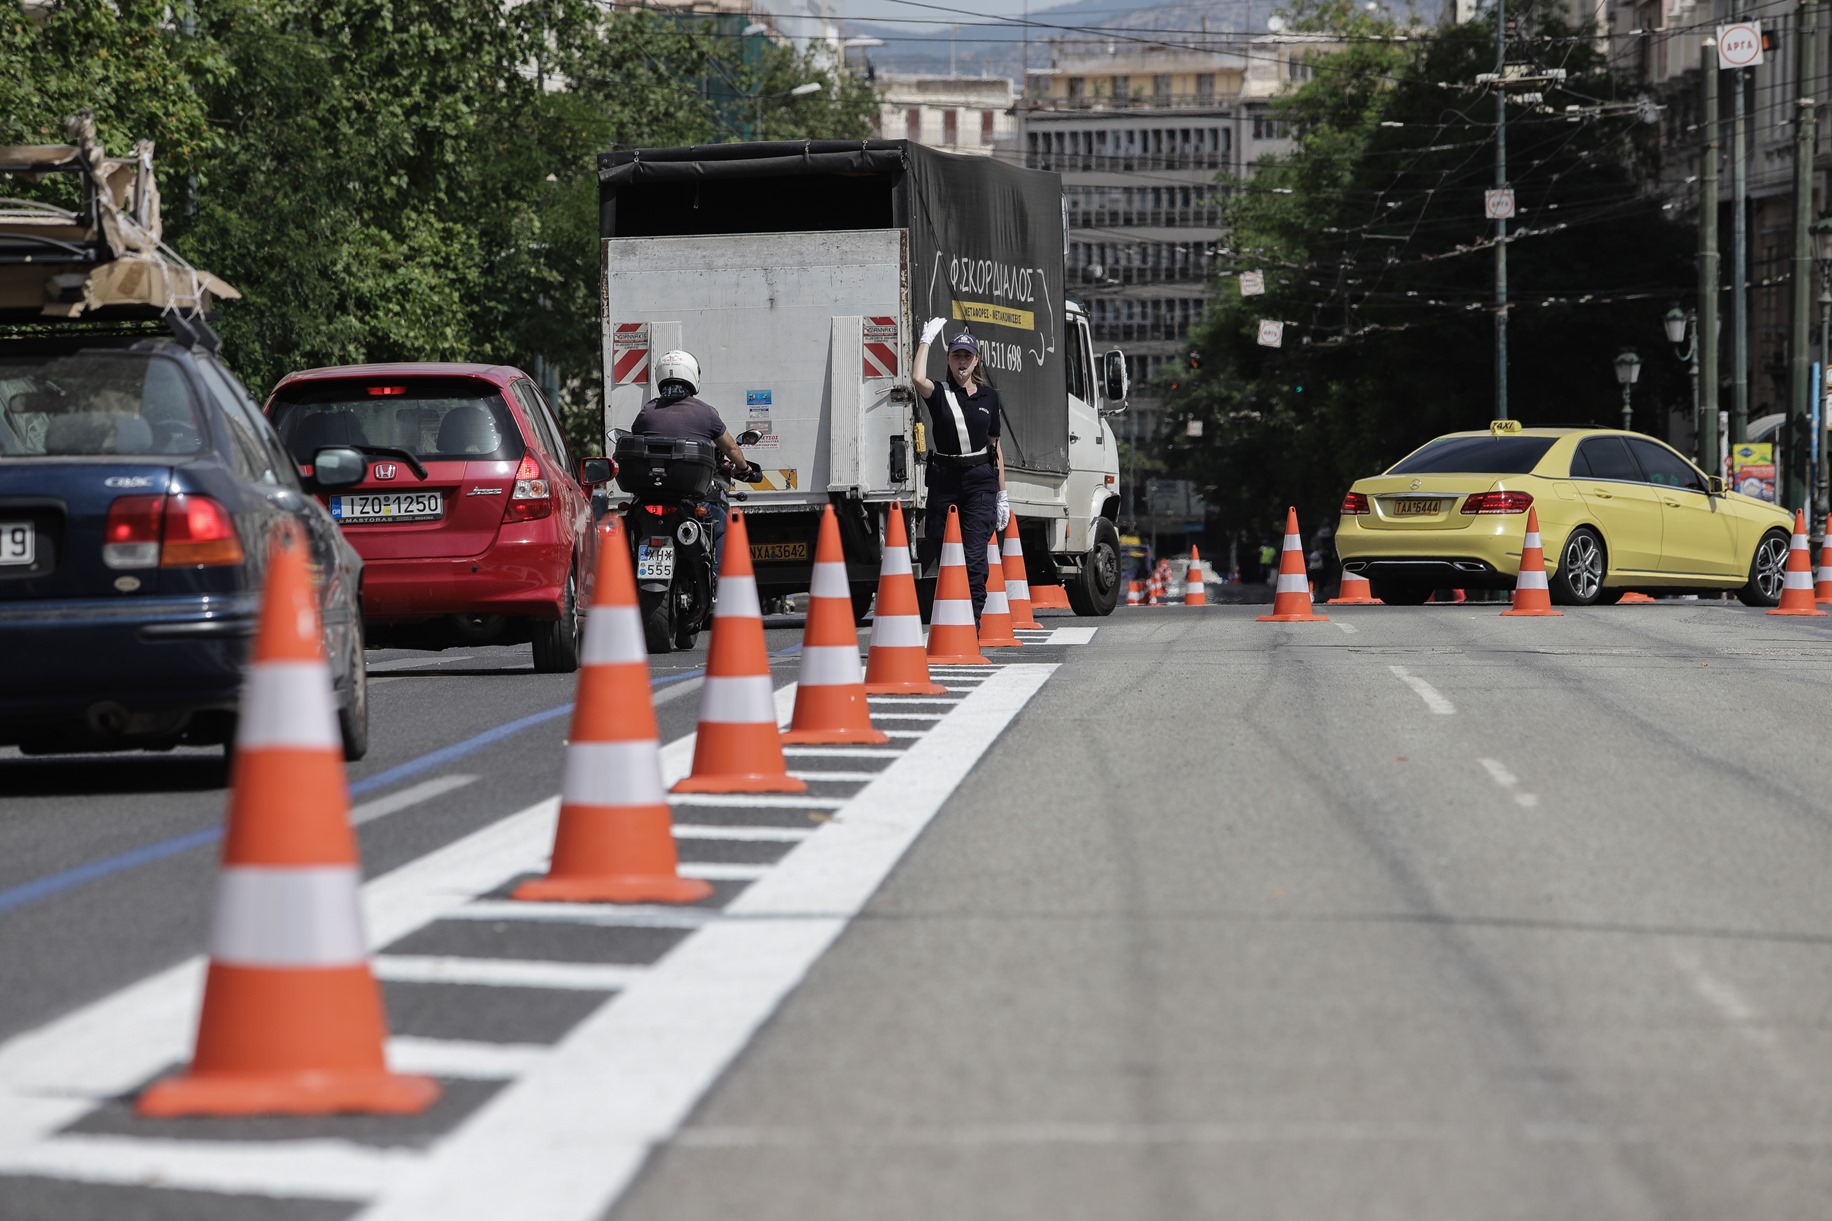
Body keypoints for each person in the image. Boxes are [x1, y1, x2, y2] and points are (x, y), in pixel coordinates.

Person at [913, 318, 1008, 620]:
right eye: (957, 356)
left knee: (975, 554)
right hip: (944, 481)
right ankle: (953, 615)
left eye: (967, 356)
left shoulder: (989, 397)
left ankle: (973, 620)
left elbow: (995, 446)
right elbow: (917, 379)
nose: (962, 361)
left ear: (976, 360)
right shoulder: (940, 393)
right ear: (949, 360)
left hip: (980, 481)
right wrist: (926, 340)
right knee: (944, 552)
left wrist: (1003, 494)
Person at [630, 349, 761, 567]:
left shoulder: (647, 411)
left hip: (649, 497)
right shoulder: (705, 412)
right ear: (692, 376)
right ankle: (719, 585)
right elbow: (731, 448)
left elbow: (636, 441)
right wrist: (744, 469)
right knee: (720, 525)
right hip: (691, 499)